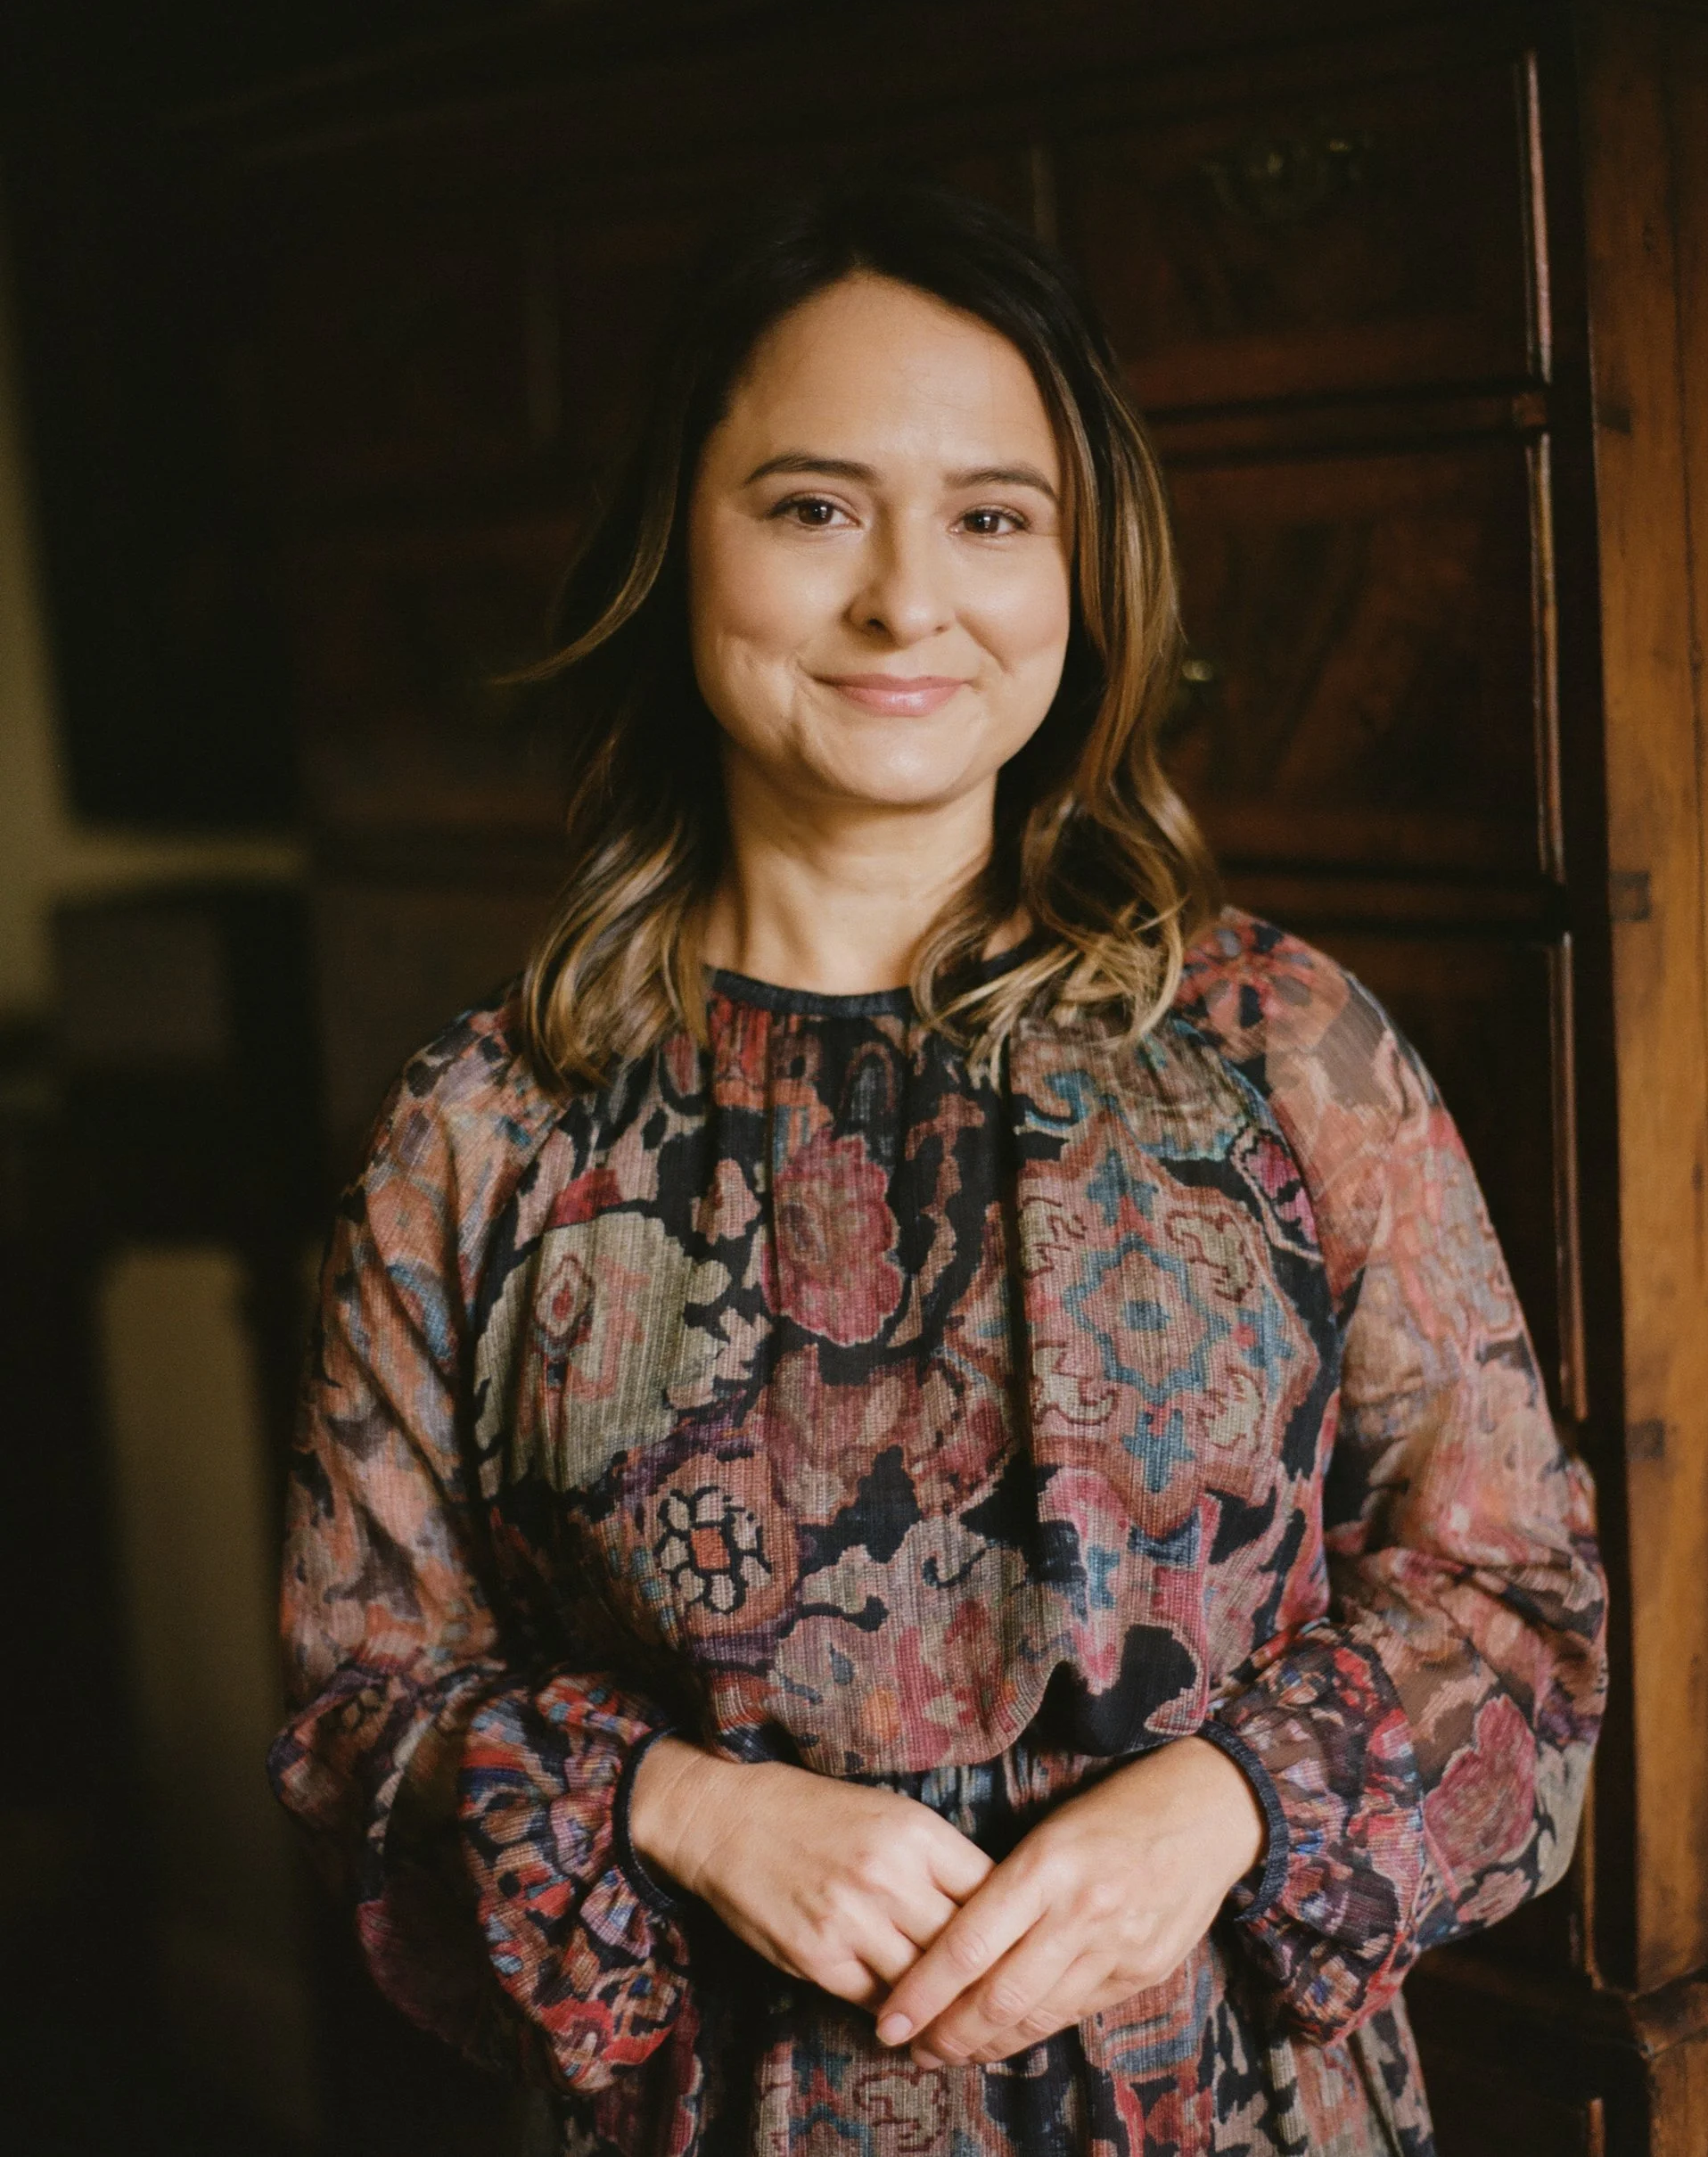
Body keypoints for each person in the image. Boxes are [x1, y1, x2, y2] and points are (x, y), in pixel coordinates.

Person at [271, 180, 1607, 2155]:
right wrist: (681, 1805)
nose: (909, 599)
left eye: (992, 516)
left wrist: (1227, 1799)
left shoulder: (1277, 1051)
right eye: (812, 507)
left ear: (1082, 574)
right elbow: (353, 1708)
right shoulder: (488, 1123)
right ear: (676, 540)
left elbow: (1517, 1594)